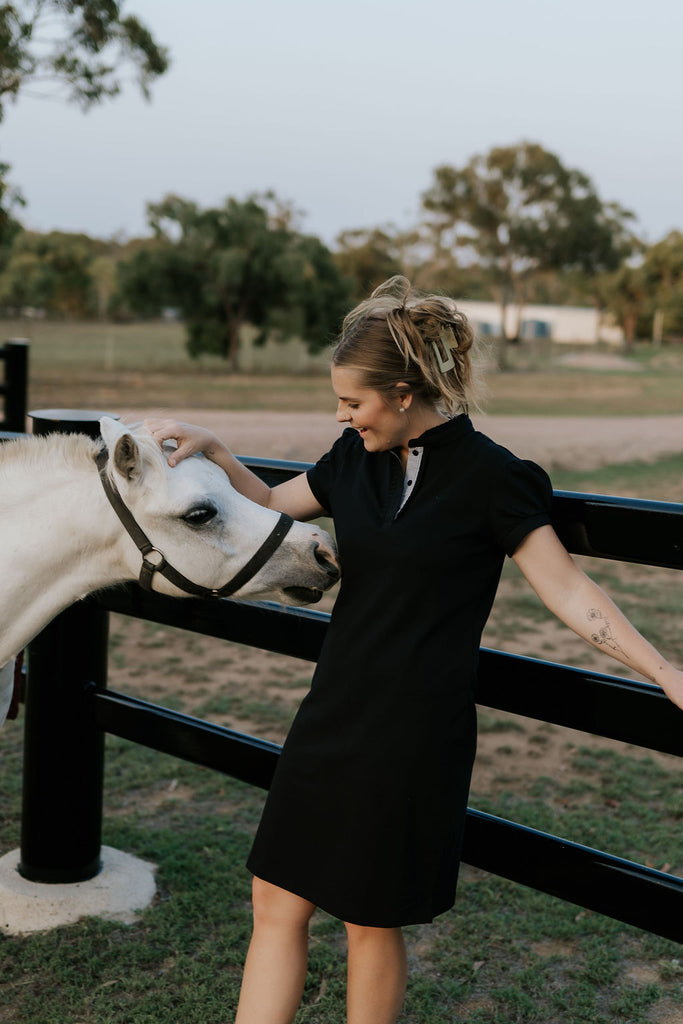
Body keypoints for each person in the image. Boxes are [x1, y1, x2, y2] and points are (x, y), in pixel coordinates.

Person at [146, 276, 683, 1024]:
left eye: (352, 402)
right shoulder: (353, 457)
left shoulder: (495, 479)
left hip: (411, 732)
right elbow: (270, 506)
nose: (342, 416)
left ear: (402, 393)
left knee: (369, 921)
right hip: (331, 712)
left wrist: (664, 670)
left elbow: (568, 593)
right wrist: (218, 450)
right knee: (275, 898)